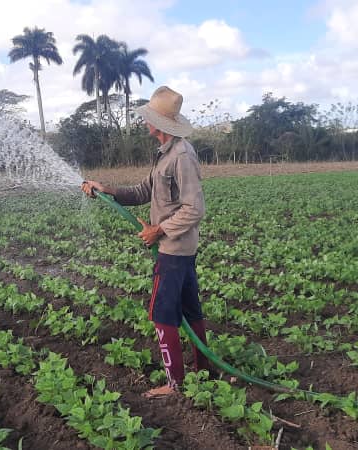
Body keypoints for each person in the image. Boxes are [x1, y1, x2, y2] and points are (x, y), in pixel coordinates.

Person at [82, 86, 210, 398]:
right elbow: (143, 191)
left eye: (148, 117)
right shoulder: (165, 154)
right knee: (190, 309)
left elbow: (194, 208)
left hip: (174, 250)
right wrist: (107, 190)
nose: (144, 121)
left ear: (160, 123)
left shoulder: (181, 156)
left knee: (162, 314)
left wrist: (159, 230)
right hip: (178, 248)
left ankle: (174, 384)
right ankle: (205, 371)